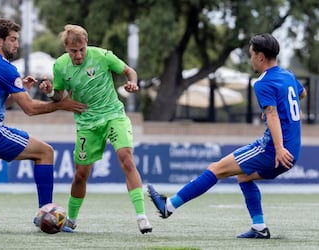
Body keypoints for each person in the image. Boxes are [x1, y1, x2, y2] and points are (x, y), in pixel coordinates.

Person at [147, 33, 307, 239]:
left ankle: (169, 206)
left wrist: (277, 146)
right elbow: (300, 94)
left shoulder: (262, 83)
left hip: (274, 150)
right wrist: (278, 108)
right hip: (293, 150)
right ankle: (259, 227)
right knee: (244, 176)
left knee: (216, 169)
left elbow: (273, 115)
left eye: (251, 55)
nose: (251, 60)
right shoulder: (288, 76)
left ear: (259, 56)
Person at [0, 18, 87, 228]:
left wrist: (20, 91)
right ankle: (46, 213)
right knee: (45, 152)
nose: (17, 44)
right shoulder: (5, 68)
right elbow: (29, 109)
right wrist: (61, 104)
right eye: (13, 39)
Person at [39, 24, 152, 234]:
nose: (79, 55)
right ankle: (71, 220)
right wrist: (49, 92)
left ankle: (142, 216)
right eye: (74, 51)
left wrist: (132, 83)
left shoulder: (102, 56)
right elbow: (59, 96)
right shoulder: (60, 66)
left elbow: (129, 71)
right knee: (81, 174)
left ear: (86, 44)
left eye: (82, 49)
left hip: (113, 115)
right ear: (66, 47)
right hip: (86, 123)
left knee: (126, 158)